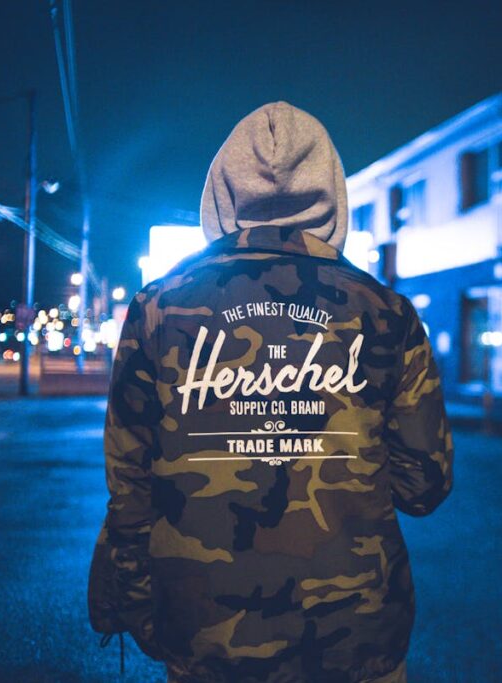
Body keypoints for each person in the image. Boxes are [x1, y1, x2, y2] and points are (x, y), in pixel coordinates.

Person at [87, 101, 454, 683]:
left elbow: (129, 488)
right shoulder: (385, 312)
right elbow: (423, 487)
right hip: (356, 637)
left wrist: (137, 600)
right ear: (333, 196)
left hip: (205, 632)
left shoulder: (158, 308)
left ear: (220, 198)